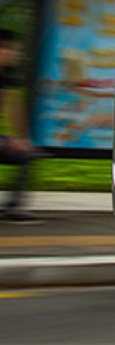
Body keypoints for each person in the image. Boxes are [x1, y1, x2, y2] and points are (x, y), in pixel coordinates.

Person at [0, 28, 39, 223]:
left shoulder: (4, 76)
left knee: (26, 153)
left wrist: (20, 140)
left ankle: (12, 207)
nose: (16, 54)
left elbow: (12, 110)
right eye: (11, 49)